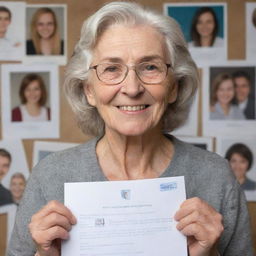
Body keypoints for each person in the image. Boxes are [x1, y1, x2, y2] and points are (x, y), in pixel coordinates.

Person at [8, 2, 253, 256]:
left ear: (173, 87)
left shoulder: (216, 176)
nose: (132, 88)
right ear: (89, 90)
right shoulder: (50, 176)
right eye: (112, 69)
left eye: (150, 67)